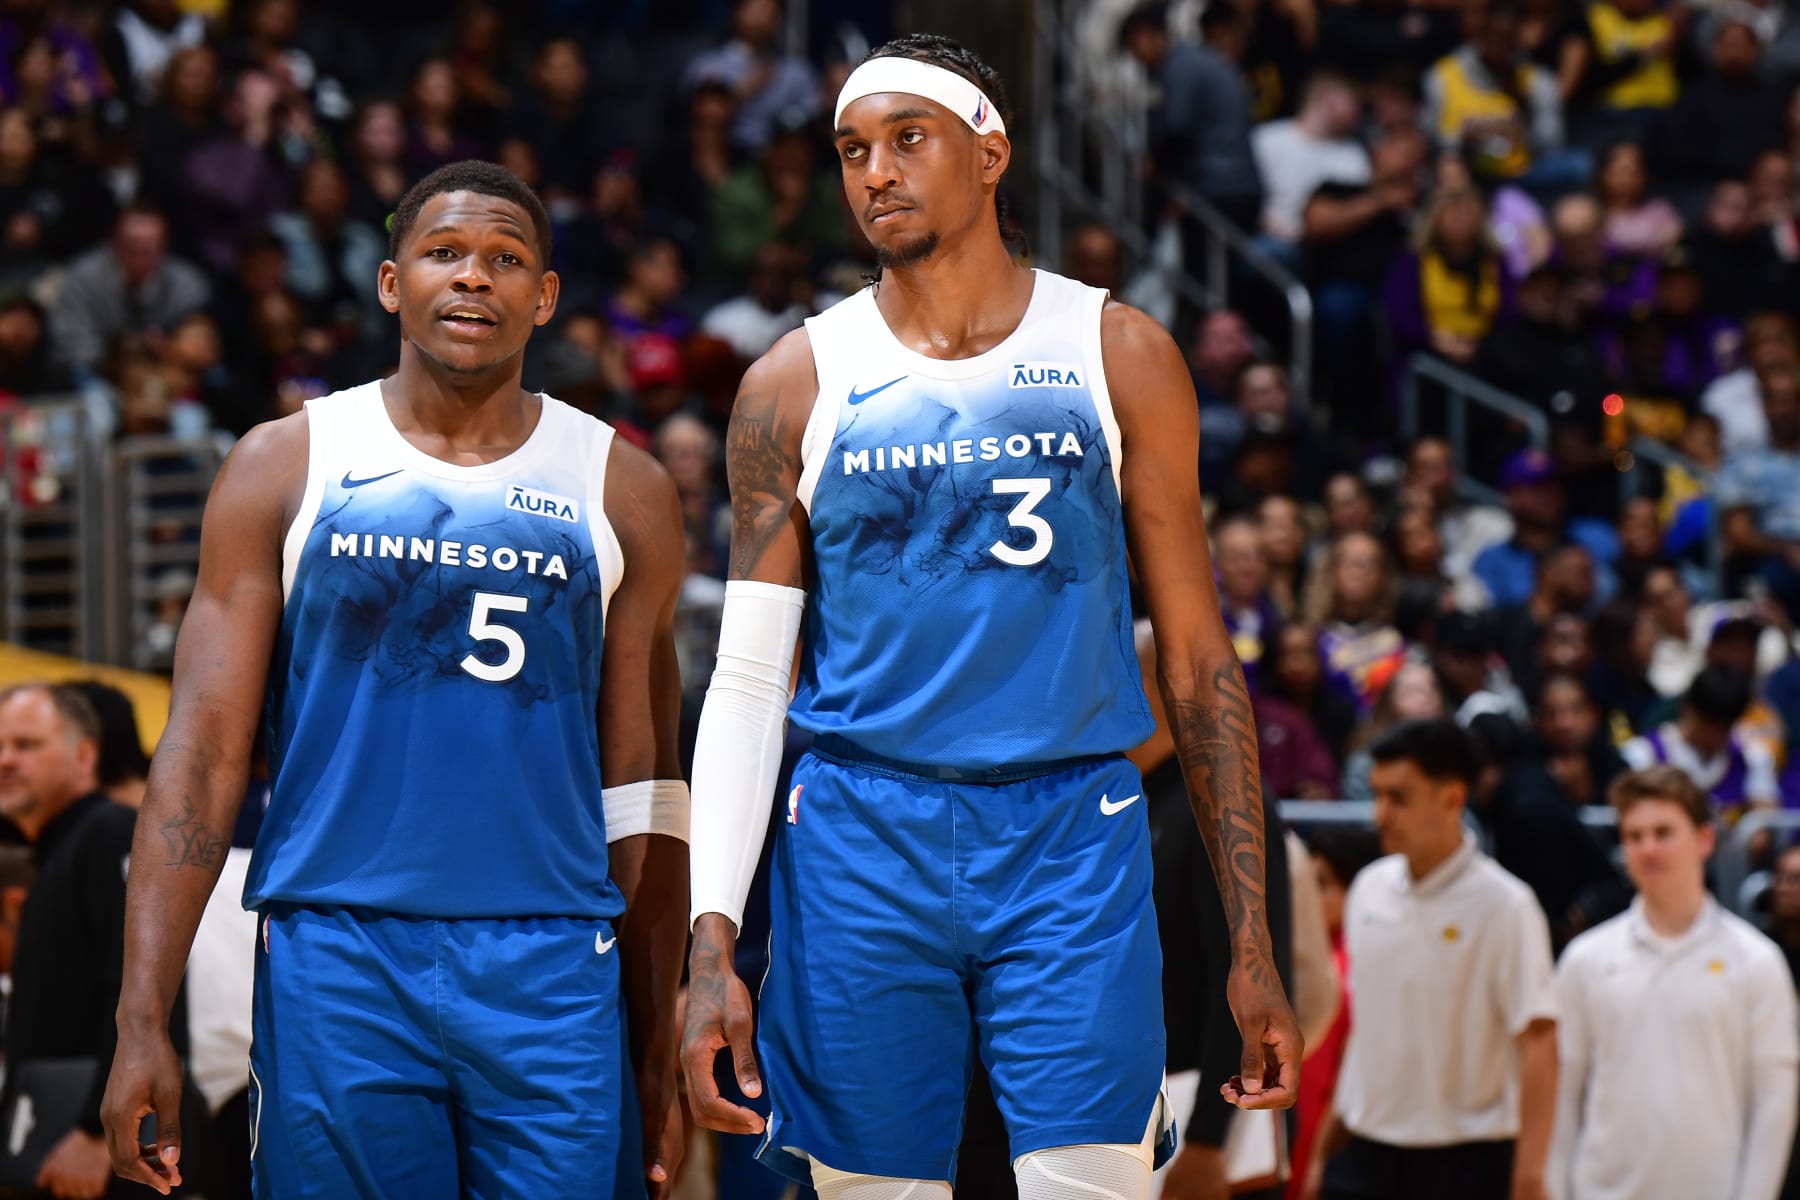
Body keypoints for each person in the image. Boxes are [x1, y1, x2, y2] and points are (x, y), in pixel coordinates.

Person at [681, 34, 1301, 1200]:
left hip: (1071, 827)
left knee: (1097, 1185)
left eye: (908, 139)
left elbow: (1201, 660)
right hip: (863, 834)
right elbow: (752, 682)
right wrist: (714, 940)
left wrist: (1250, 940)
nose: (875, 172)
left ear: (991, 151)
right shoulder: (791, 383)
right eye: (853, 150)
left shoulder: (1117, 351)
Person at [99, 161, 691, 1199]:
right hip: (340, 954)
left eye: (507, 261)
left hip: (553, 960)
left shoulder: (623, 486)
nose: (475, 279)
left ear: (544, 298)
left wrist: (655, 1034)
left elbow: (645, 789)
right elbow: (199, 756)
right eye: (446, 254)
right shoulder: (285, 464)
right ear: (389, 282)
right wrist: (142, 1014)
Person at [1304, 719, 1558, 1200]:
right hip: (1364, 1152)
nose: (1380, 814)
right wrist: (1323, 1151)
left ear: (1451, 799)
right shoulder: (1368, 890)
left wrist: (1529, 1177)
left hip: (1466, 1163)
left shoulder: (1507, 905)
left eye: (1399, 798)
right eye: (1377, 795)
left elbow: (1540, 1044)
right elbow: (1366, 1032)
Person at [1550, 766, 1798, 1199]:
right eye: (1634, 836)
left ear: (1704, 840)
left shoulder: (1756, 962)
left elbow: (1773, 1105)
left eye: (1663, 832)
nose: (1648, 849)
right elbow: (1563, 1094)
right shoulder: (1585, 960)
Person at [0, 684, 169, 1200]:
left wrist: (100, 1136)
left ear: (84, 755)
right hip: (58, 1139)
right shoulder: (61, 849)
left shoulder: (109, 832)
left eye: (26, 745)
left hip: (109, 1153)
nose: (6, 760)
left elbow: (149, 986)